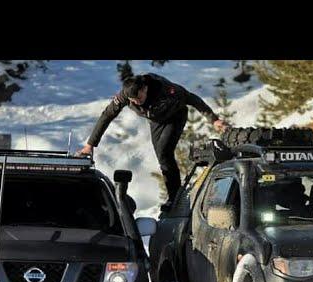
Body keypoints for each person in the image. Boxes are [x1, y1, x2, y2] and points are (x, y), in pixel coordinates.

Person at [76, 73, 228, 208]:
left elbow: (192, 99)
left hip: (176, 115)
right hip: (156, 121)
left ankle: (174, 197)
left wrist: (213, 120)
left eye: (139, 98)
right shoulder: (125, 95)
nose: (137, 102)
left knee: (164, 152)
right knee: (162, 158)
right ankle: (173, 195)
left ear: (145, 89)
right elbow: (107, 115)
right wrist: (90, 145)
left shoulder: (166, 89)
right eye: (133, 101)